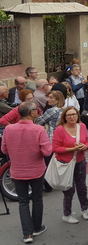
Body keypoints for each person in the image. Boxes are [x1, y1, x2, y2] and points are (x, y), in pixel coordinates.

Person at [1, 102, 52, 243]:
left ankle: (27, 234)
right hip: (36, 170)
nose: (38, 112)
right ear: (32, 113)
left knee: (23, 202)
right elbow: (47, 151)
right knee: (37, 199)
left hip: (17, 170)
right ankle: (37, 227)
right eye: (36, 110)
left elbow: (4, 150)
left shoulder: (9, 129)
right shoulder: (39, 129)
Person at [52, 106, 88, 224]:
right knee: (68, 189)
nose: (72, 117)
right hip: (65, 163)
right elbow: (55, 148)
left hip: (80, 161)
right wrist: (72, 149)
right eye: (69, 115)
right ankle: (67, 214)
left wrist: (85, 146)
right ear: (64, 117)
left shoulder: (82, 126)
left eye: (74, 114)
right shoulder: (59, 129)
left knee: (82, 187)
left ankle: (84, 209)